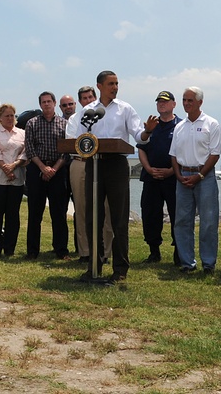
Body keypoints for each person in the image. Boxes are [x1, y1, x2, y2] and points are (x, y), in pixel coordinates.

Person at [67, 70, 154, 283]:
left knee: (119, 218)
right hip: (93, 165)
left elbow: (138, 135)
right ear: (99, 86)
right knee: (92, 217)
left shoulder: (125, 109)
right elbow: (76, 138)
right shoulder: (87, 111)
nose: (115, 87)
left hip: (116, 165)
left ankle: (120, 269)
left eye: (117, 84)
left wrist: (148, 131)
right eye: (111, 84)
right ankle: (93, 266)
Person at [170, 87, 221, 273]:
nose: (186, 104)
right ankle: (187, 262)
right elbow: (173, 155)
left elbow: (215, 154)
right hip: (182, 177)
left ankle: (208, 263)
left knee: (208, 221)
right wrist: (177, 175)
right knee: (182, 221)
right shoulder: (179, 126)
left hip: (204, 177)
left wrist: (199, 175)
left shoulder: (211, 124)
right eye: (184, 100)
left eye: (190, 100)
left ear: (200, 102)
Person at [66, 85, 113, 263]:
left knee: (106, 210)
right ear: (80, 102)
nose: (88, 101)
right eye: (84, 99)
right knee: (82, 209)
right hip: (80, 164)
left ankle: (105, 252)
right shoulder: (75, 119)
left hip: (103, 164)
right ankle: (85, 251)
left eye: (90, 98)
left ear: (96, 98)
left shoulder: (106, 116)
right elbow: (70, 140)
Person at [24, 92, 71, 260]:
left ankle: (61, 250)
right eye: (43, 102)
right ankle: (32, 251)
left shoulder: (65, 124)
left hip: (58, 170)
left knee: (59, 213)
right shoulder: (32, 123)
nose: (46, 104)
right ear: (40, 104)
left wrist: (54, 169)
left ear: (54, 103)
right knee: (35, 213)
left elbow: (67, 150)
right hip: (37, 169)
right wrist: (43, 168)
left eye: (49, 101)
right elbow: (29, 149)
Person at [137, 91, 182, 264]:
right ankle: (154, 251)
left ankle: (179, 252)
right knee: (150, 215)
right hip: (151, 178)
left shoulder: (181, 125)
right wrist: (148, 168)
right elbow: (141, 147)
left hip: (173, 178)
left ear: (173, 104)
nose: (161, 104)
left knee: (177, 215)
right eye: (159, 102)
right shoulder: (150, 125)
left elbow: (183, 151)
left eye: (165, 101)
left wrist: (171, 170)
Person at [0, 103, 27, 258]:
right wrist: (6, 169)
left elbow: (25, 152)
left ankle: (10, 248)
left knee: (13, 215)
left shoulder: (22, 133)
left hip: (17, 178)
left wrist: (15, 165)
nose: (10, 118)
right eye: (7, 116)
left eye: (12, 115)